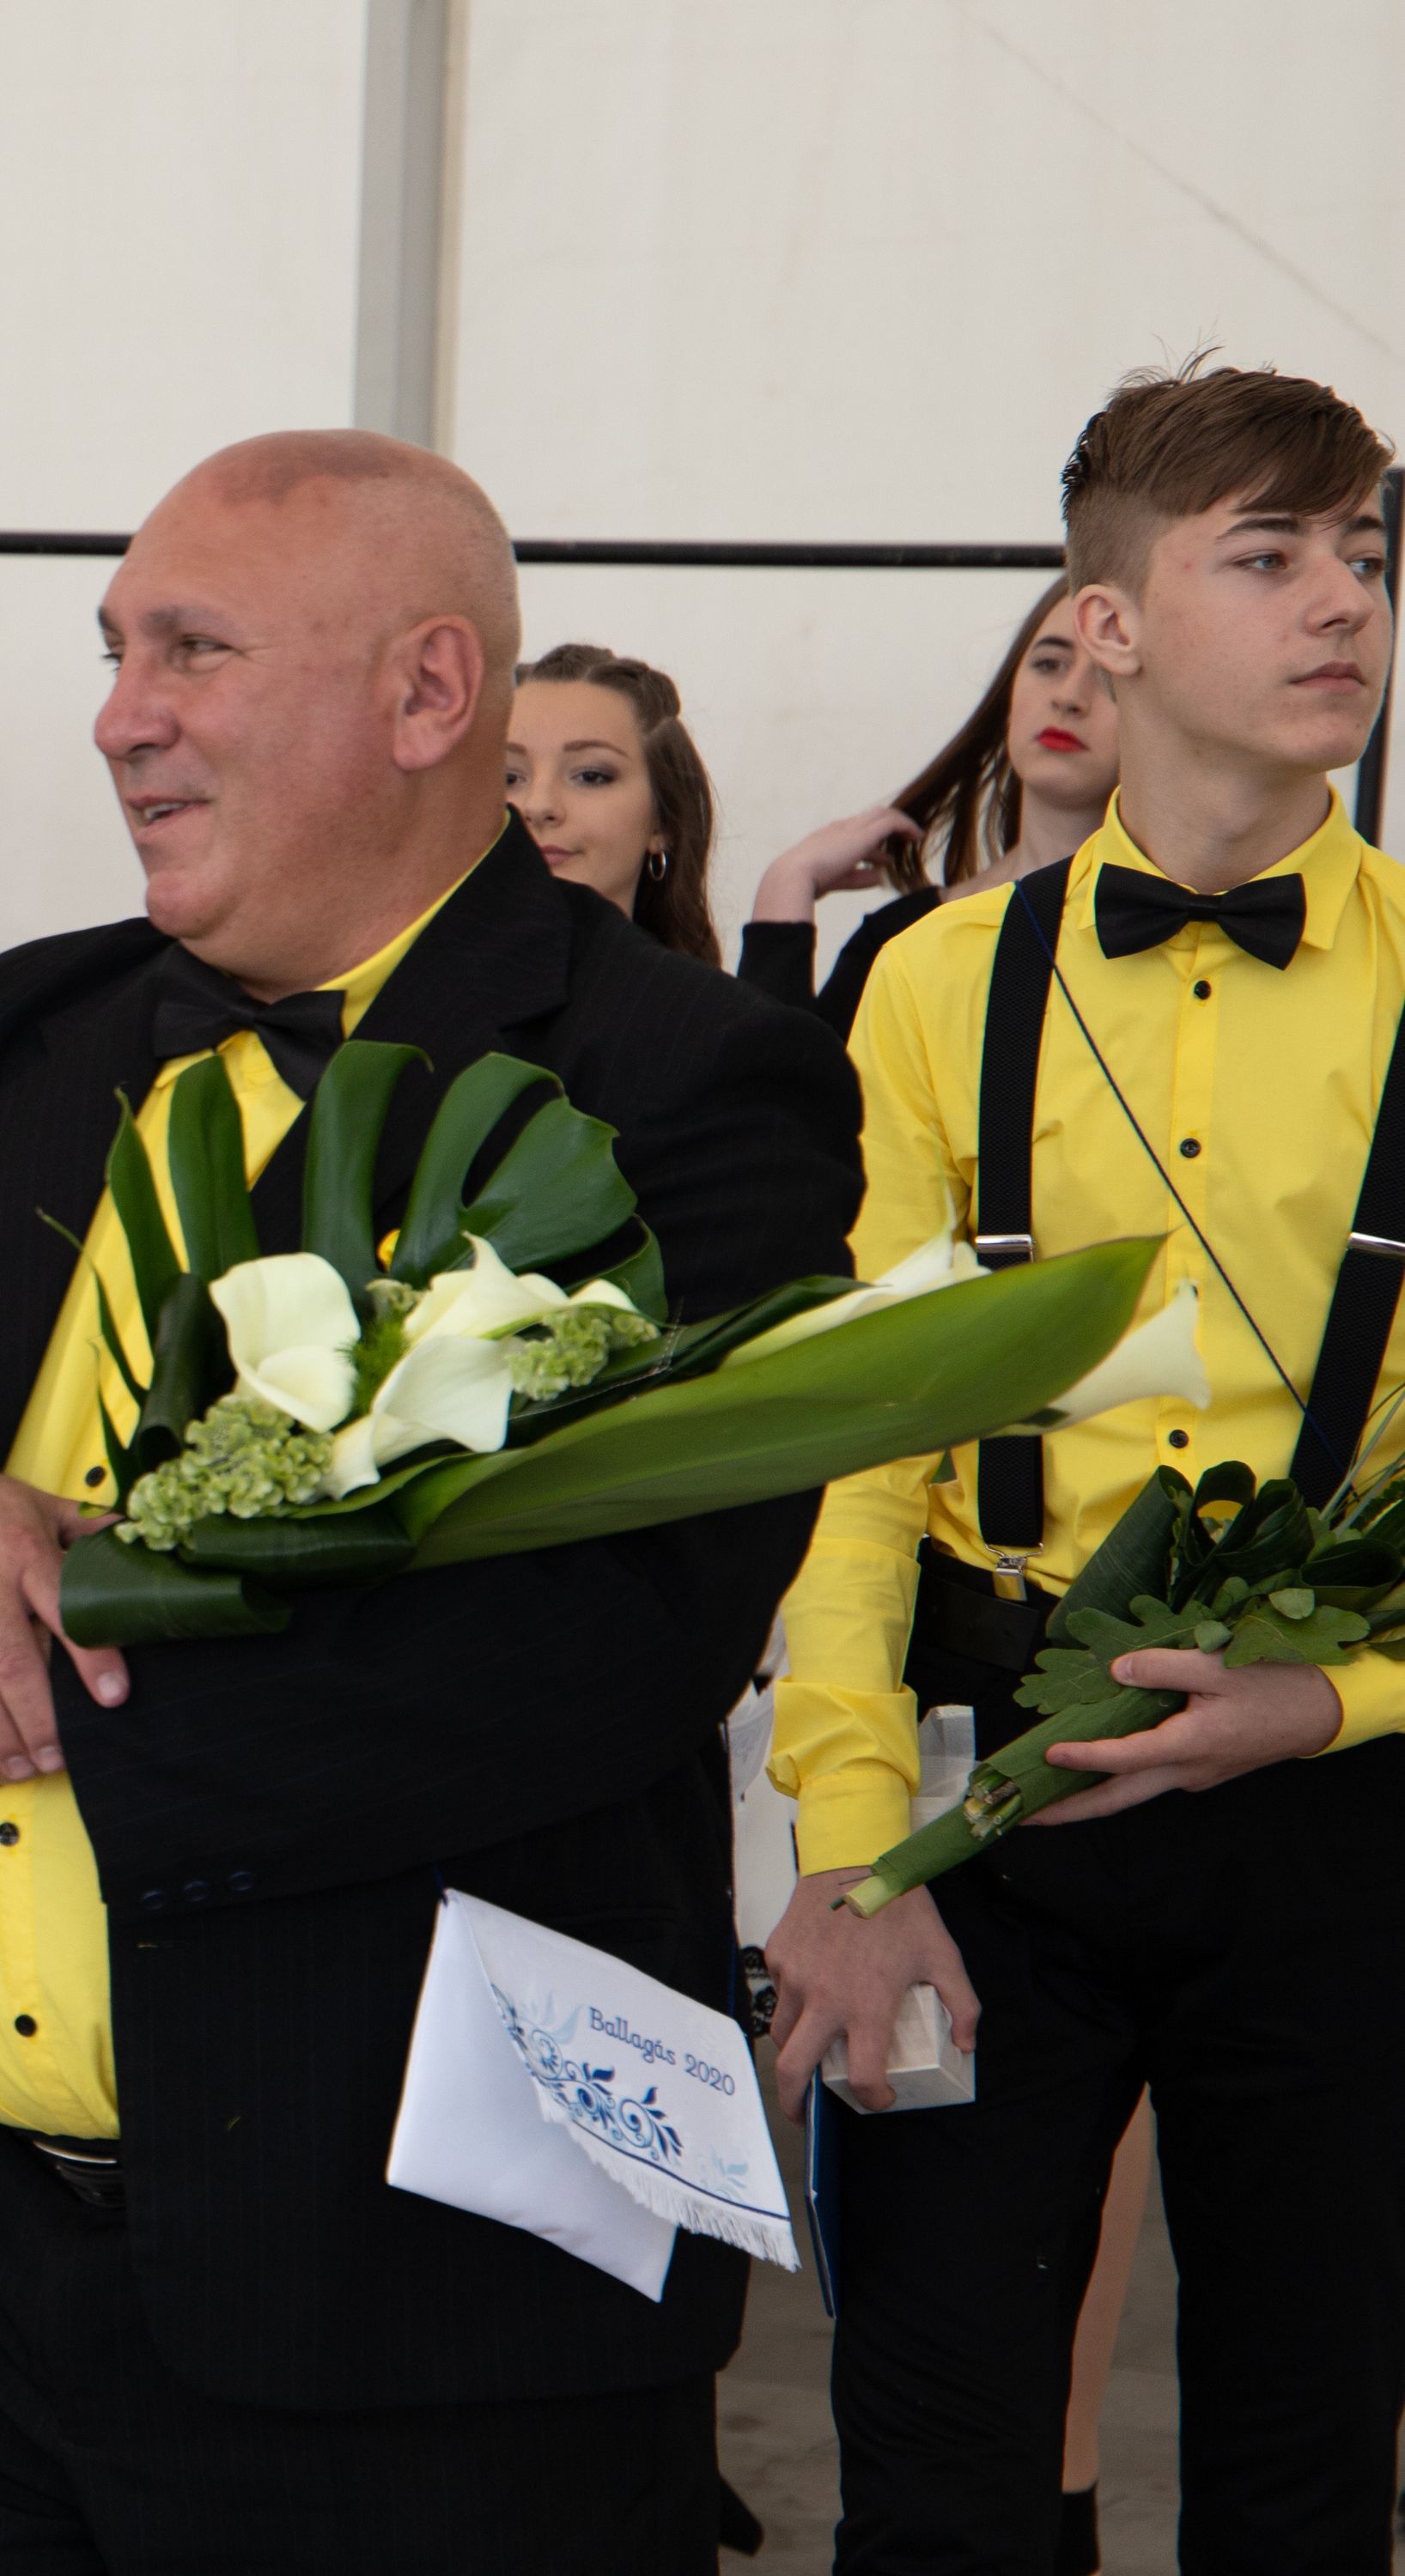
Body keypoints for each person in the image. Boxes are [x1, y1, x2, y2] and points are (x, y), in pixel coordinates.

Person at [0, 431, 861, 2570]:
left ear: (423, 691)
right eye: (113, 652)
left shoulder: (676, 1080)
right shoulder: (5, 1032)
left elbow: (606, 1631)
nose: (120, 716)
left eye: (190, 651)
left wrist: (40, 1694)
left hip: (398, 2309)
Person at [763, 361, 1403, 2571]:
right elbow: (856, 1441)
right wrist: (856, 1844)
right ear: (1106, 622)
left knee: (1307, 2468)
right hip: (989, 1793)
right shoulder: (934, 982)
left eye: (1363, 556)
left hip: (1339, 1812)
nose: (1343, 601)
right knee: (933, 2473)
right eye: (1269, 555)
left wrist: (1333, 1699)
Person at [737, 574, 1122, 1035]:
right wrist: (786, 884)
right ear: (1010, 692)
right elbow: (772, 1082)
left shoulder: (1181, 923)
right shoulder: (901, 938)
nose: (1069, 696)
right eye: (1049, 663)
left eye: (1110, 676)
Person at [503, 640, 721, 962]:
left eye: (591, 776)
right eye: (508, 779)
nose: (538, 806)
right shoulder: (426, 986)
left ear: (663, 822)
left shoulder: (705, 997)